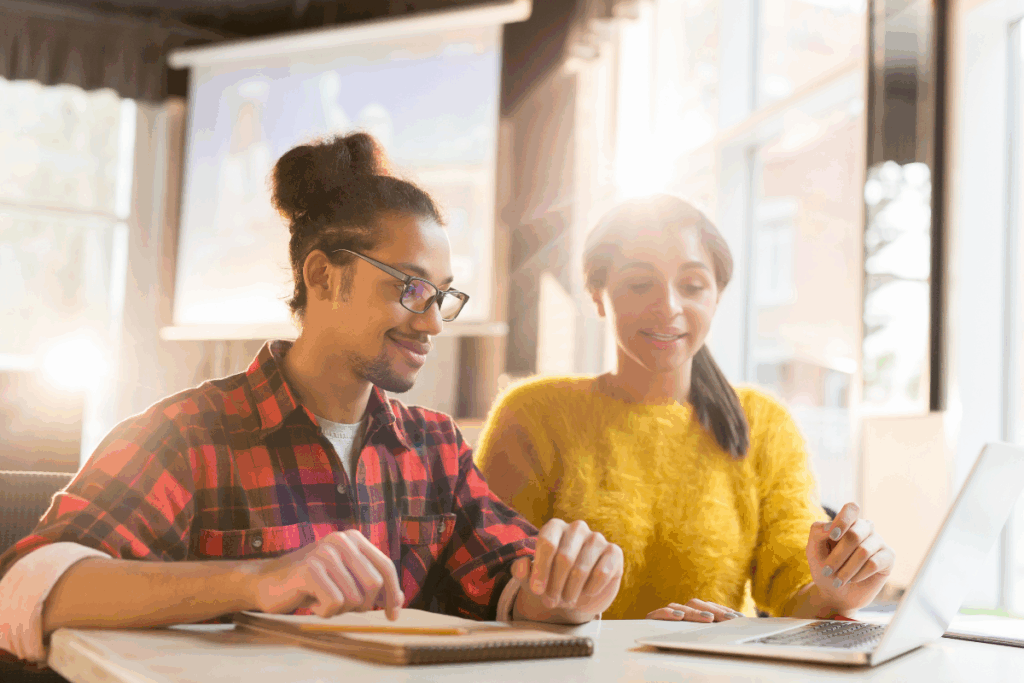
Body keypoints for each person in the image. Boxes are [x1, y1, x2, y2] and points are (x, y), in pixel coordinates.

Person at [0, 133, 623, 665]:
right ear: (323, 276)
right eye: (411, 289)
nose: (433, 323)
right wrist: (261, 578)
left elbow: (512, 588)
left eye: (442, 296)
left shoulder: (436, 448)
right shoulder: (186, 433)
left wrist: (566, 586)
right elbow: (28, 590)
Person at [474, 194, 894, 623]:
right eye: (640, 285)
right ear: (598, 296)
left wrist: (840, 589)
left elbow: (797, 591)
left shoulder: (764, 423)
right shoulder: (533, 415)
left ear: (717, 297)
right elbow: (485, 587)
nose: (669, 308)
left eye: (692, 286)